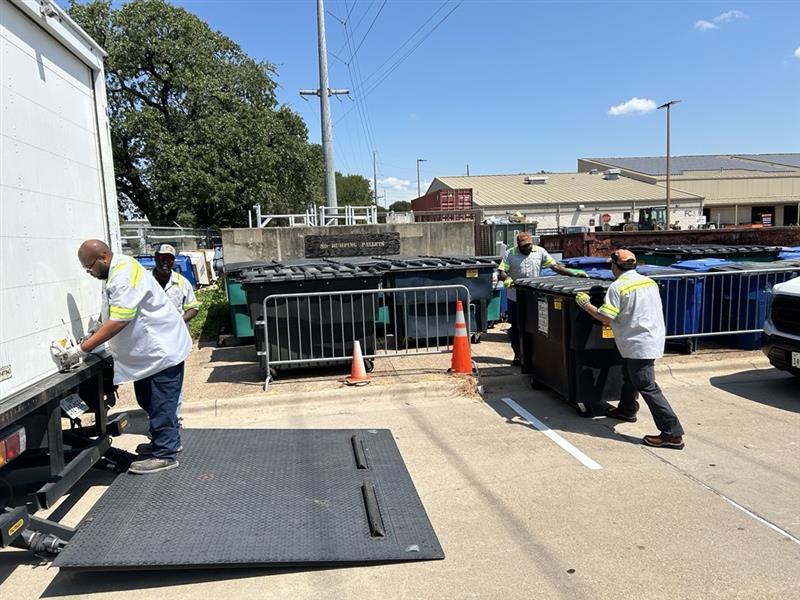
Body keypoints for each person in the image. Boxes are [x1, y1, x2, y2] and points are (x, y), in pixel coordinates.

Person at [64, 239, 192, 473]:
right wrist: (97, 329)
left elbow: (121, 318)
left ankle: (165, 454)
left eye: (89, 267)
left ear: (103, 257)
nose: (89, 272)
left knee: (161, 402)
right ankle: (165, 443)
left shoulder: (122, 274)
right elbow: (113, 312)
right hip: (148, 356)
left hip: (159, 352)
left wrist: (83, 348)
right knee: (148, 399)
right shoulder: (116, 271)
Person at [575, 249, 685, 449]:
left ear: (616, 266)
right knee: (629, 374)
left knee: (647, 386)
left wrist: (586, 305)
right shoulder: (648, 282)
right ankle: (627, 409)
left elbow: (606, 317)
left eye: (611, 265)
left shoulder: (618, 287)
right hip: (651, 338)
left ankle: (672, 433)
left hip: (638, 343)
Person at [498, 231, 587, 365]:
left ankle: (534, 355)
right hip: (515, 296)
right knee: (516, 327)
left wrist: (571, 273)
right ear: (518, 245)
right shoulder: (510, 253)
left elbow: (554, 266)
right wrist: (507, 278)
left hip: (533, 296)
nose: (526, 248)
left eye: (528, 245)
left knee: (535, 326)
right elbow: (502, 271)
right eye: (523, 246)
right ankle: (518, 355)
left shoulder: (540, 252)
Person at [152, 244, 200, 422]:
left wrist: (178, 321)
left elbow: (193, 307)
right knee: (154, 381)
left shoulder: (181, 282)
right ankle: (158, 418)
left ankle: (173, 419)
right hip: (151, 340)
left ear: (173, 261)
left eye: (169, 258)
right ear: (155, 257)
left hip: (174, 340)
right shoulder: (145, 281)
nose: (165, 261)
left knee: (174, 381)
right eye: (162, 257)